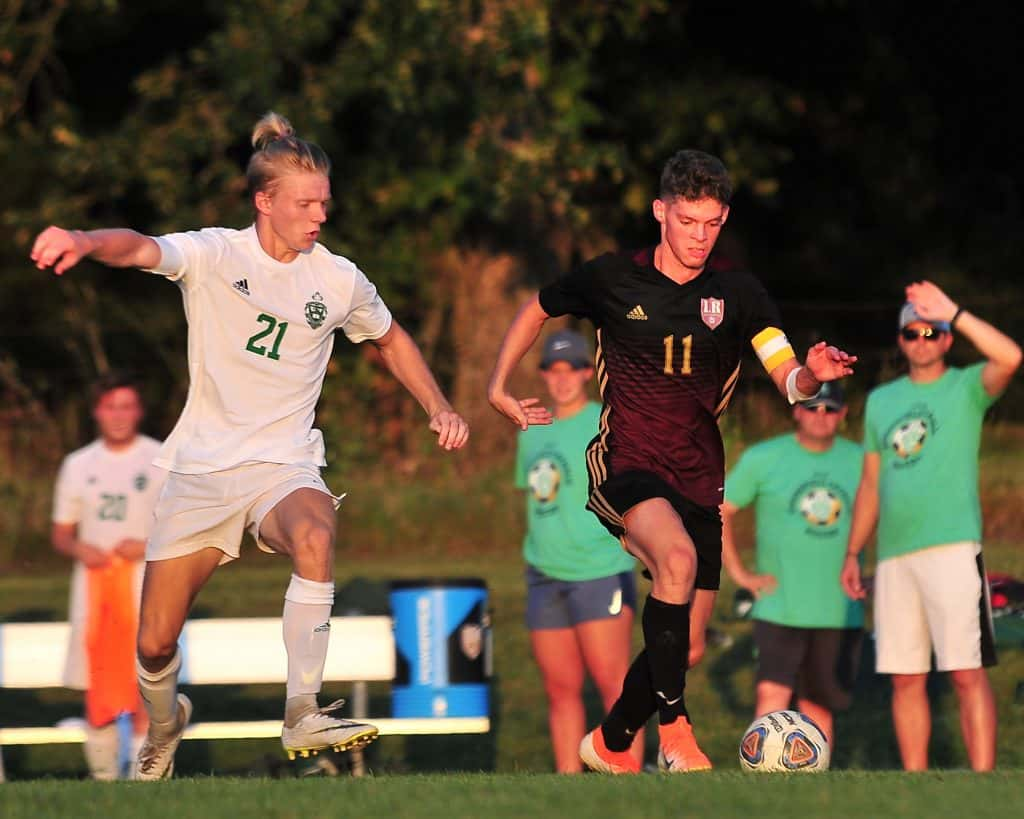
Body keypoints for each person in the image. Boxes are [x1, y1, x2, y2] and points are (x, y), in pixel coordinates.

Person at [30, 112, 469, 780]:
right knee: (152, 644)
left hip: (283, 466)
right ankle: (165, 720)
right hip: (201, 473)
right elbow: (140, 246)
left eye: (325, 201)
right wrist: (85, 240)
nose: (320, 214)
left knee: (317, 534)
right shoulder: (214, 254)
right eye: (305, 203)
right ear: (264, 202)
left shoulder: (338, 278)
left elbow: (390, 337)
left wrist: (436, 403)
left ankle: (301, 711)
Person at [488, 149, 854, 773]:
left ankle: (611, 739)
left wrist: (811, 380)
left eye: (712, 223)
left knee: (683, 647)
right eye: (688, 221)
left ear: (725, 218)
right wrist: (498, 384)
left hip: (700, 477)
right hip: (626, 462)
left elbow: (784, 373)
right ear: (661, 212)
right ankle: (675, 733)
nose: (700, 236)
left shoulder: (738, 291)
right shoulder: (611, 278)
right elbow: (540, 307)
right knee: (676, 561)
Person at [841, 282, 1021, 771]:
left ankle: (983, 780)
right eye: (913, 333)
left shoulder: (966, 388)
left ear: (946, 339)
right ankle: (916, 783)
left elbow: (1011, 356)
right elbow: (871, 485)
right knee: (905, 677)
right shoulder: (880, 401)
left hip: (953, 549)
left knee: (965, 672)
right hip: (895, 555)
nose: (921, 340)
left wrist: (955, 312)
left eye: (931, 332)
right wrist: (854, 551)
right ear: (901, 341)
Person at [516, 328, 641, 773]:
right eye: (553, 369)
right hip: (545, 572)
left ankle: (625, 782)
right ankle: (568, 785)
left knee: (614, 685)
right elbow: (535, 497)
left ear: (588, 373)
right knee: (560, 689)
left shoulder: (605, 422)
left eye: (572, 369)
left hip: (599, 568)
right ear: (544, 375)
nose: (562, 379)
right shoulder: (530, 427)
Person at [721, 381, 863, 748]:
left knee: (819, 706)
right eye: (812, 407)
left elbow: (892, 514)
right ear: (796, 410)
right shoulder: (764, 458)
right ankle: (764, 782)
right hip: (779, 604)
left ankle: (816, 790)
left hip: (836, 607)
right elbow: (721, 511)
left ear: (842, 415)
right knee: (771, 696)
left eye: (829, 409)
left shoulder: (862, 461)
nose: (820, 416)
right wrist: (739, 574)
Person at [51, 373, 166, 780]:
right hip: (96, 591)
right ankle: (103, 784)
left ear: (139, 411)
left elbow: (183, 524)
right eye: (110, 407)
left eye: (127, 406)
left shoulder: (160, 458)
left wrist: (149, 543)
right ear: (97, 412)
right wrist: (80, 548)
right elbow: (62, 532)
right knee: (97, 684)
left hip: (145, 588)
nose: (118, 416)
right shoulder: (79, 464)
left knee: (145, 687)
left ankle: (145, 781)